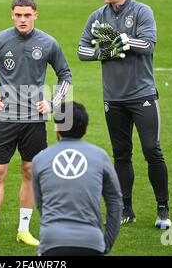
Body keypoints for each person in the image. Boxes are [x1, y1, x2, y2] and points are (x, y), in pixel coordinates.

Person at [0, 0, 72, 250]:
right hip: (5, 120)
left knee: (30, 172)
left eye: (27, 15)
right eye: (18, 15)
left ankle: (23, 230)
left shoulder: (48, 43)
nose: (23, 19)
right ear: (12, 15)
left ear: (36, 14)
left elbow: (65, 75)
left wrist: (51, 104)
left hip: (34, 121)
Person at [77, 0, 171, 229]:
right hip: (113, 97)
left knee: (152, 150)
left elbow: (148, 44)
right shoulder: (97, 17)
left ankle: (162, 208)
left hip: (142, 95)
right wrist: (102, 54)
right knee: (121, 154)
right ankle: (126, 209)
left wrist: (120, 40)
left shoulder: (142, 11)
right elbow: (82, 50)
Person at [32, 101, 122, 256]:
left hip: (52, 242)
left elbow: (41, 204)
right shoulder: (100, 156)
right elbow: (115, 200)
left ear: (57, 129)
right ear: (85, 129)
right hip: (92, 242)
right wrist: (105, 242)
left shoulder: (40, 159)